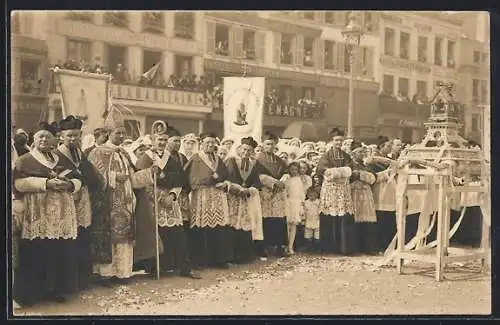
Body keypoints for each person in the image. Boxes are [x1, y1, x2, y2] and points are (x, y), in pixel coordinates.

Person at [13, 124, 81, 306]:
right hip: (38, 212)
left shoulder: (60, 159)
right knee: (37, 250)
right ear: (33, 140)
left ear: (54, 140)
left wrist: (71, 185)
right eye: (40, 137)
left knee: (58, 250)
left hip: (61, 214)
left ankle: (56, 289)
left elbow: (78, 178)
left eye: (47, 137)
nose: (44, 140)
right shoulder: (24, 160)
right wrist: (45, 183)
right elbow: (18, 184)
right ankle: (34, 292)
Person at [87, 109, 156, 286]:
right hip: (107, 202)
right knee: (110, 237)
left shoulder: (125, 153)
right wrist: (113, 177)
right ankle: (106, 274)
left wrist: (149, 173)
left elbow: (132, 178)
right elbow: (93, 177)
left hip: (125, 199)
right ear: (108, 133)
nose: (121, 136)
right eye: (118, 133)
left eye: (123, 133)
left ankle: (123, 272)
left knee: (124, 237)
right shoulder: (98, 152)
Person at [134, 127, 200, 279]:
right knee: (157, 233)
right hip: (153, 201)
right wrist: (159, 196)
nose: (162, 142)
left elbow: (179, 179)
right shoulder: (145, 158)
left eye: (165, 139)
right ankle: (155, 268)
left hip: (170, 200)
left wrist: (172, 195)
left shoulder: (171, 158)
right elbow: (140, 181)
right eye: (159, 139)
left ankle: (183, 267)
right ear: (153, 140)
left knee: (178, 234)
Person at [55, 116, 100, 290]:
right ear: (62, 136)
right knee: (67, 238)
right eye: (69, 136)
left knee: (83, 235)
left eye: (76, 136)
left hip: (84, 199)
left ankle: (82, 279)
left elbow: (90, 177)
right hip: (66, 200)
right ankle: (67, 282)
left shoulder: (80, 154)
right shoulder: (56, 155)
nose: (73, 139)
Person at [184, 132, 233, 269]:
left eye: (212, 142)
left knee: (219, 227)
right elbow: (189, 177)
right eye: (207, 142)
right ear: (201, 143)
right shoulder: (195, 158)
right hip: (202, 195)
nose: (210, 145)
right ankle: (200, 261)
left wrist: (225, 184)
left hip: (217, 195)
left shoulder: (218, 159)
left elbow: (227, 176)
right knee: (201, 227)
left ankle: (219, 259)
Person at [316, 128, 356, 255]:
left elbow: (351, 169)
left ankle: (343, 247)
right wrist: (341, 172)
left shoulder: (346, 155)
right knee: (329, 216)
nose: (338, 142)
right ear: (331, 141)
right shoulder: (326, 156)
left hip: (343, 190)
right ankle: (329, 247)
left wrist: (338, 172)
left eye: (340, 140)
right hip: (330, 190)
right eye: (336, 140)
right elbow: (322, 170)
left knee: (343, 217)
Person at [225, 137, 263, 264]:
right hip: (234, 196)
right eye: (244, 149)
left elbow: (257, 182)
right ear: (239, 149)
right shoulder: (231, 161)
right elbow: (227, 176)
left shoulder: (254, 164)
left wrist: (250, 189)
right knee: (232, 223)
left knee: (245, 224)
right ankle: (231, 256)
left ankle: (244, 256)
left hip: (246, 197)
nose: (246, 152)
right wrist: (237, 188)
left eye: (249, 150)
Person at [256, 131, 288, 258]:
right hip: (265, 192)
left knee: (278, 220)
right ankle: (263, 247)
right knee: (265, 219)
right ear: (263, 144)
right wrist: (272, 182)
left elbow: (286, 171)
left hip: (278, 193)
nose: (270, 146)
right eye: (267, 144)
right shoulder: (258, 159)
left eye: (272, 144)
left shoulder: (279, 159)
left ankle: (278, 246)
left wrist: (282, 181)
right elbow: (257, 175)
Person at [349, 142, 378, 255]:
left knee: (367, 222)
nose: (362, 154)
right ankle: (355, 247)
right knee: (354, 221)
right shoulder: (349, 164)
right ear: (353, 153)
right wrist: (361, 175)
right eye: (359, 152)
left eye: (363, 152)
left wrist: (361, 175)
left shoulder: (367, 165)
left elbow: (372, 179)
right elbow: (350, 177)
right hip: (354, 193)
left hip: (366, 194)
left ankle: (368, 247)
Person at [283, 162, 307, 255]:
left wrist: (302, 204)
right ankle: (285, 246)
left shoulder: (299, 180)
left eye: (296, 170)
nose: (294, 171)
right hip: (288, 203)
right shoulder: (287, 178)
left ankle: (290, 247)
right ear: (289, 170)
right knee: (287, 225)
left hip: (296, 203)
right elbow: (284, 191)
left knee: (293, 225)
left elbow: (301, 193)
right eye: (292, 169)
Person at [303, 187, 321, 253]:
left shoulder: (318, 202)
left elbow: (320, 210)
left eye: (314, 195)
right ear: (307, 195)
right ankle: (309, 247)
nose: (312, 197)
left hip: (316, 219)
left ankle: (316, 247)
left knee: (317, 233)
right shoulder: (306, 202)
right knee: (308, 232)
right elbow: (304, 210)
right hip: (309, 219)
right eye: (310, 195)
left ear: (317, 195)